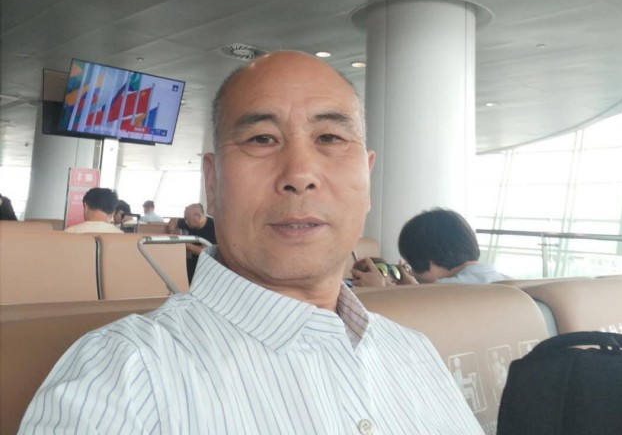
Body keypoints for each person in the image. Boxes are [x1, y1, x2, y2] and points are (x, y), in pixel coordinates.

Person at [20, 51, 482, 434]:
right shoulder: (121, 377)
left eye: (329, 137)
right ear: (212, 181)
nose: (299, 174)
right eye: (262, 139)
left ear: (367, 175)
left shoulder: (414, 352)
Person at [352, 208, 509, 287]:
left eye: (412, 264)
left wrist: (379, 292)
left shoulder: (444, 291)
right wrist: (413, 289)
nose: (414, 273)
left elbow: (414, 315)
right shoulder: (504, 281)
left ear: (428, 260)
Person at [167, 203, 216, 282]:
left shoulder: (212, 227)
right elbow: (173, 220)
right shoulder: (189, 223)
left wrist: (181, 242)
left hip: (206, 267)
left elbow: (203, 251)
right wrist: (171, 232)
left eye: (187, 219)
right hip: (191, 264)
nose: (185, 222)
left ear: (198, 217)